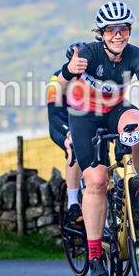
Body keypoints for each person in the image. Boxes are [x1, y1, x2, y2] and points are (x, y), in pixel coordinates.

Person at [57, 1, 139, 276]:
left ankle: (137, 192)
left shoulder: (135, 55)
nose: (118, 35)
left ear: (130, 31)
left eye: (124, 29)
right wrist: (68, 70)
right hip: (84, 116)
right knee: (96, 181)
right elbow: (60, 86)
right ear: (102, 33)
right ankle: (95, 254)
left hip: (114, 110)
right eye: (112, 30)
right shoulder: (87, 52)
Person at [47, 42, 86, 228]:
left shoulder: (90, 78)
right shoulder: (57, 79)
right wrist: (69, 133)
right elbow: (53, 116)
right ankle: (73, 204)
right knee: (76, 147)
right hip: (61, 124)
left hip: (83, 121)